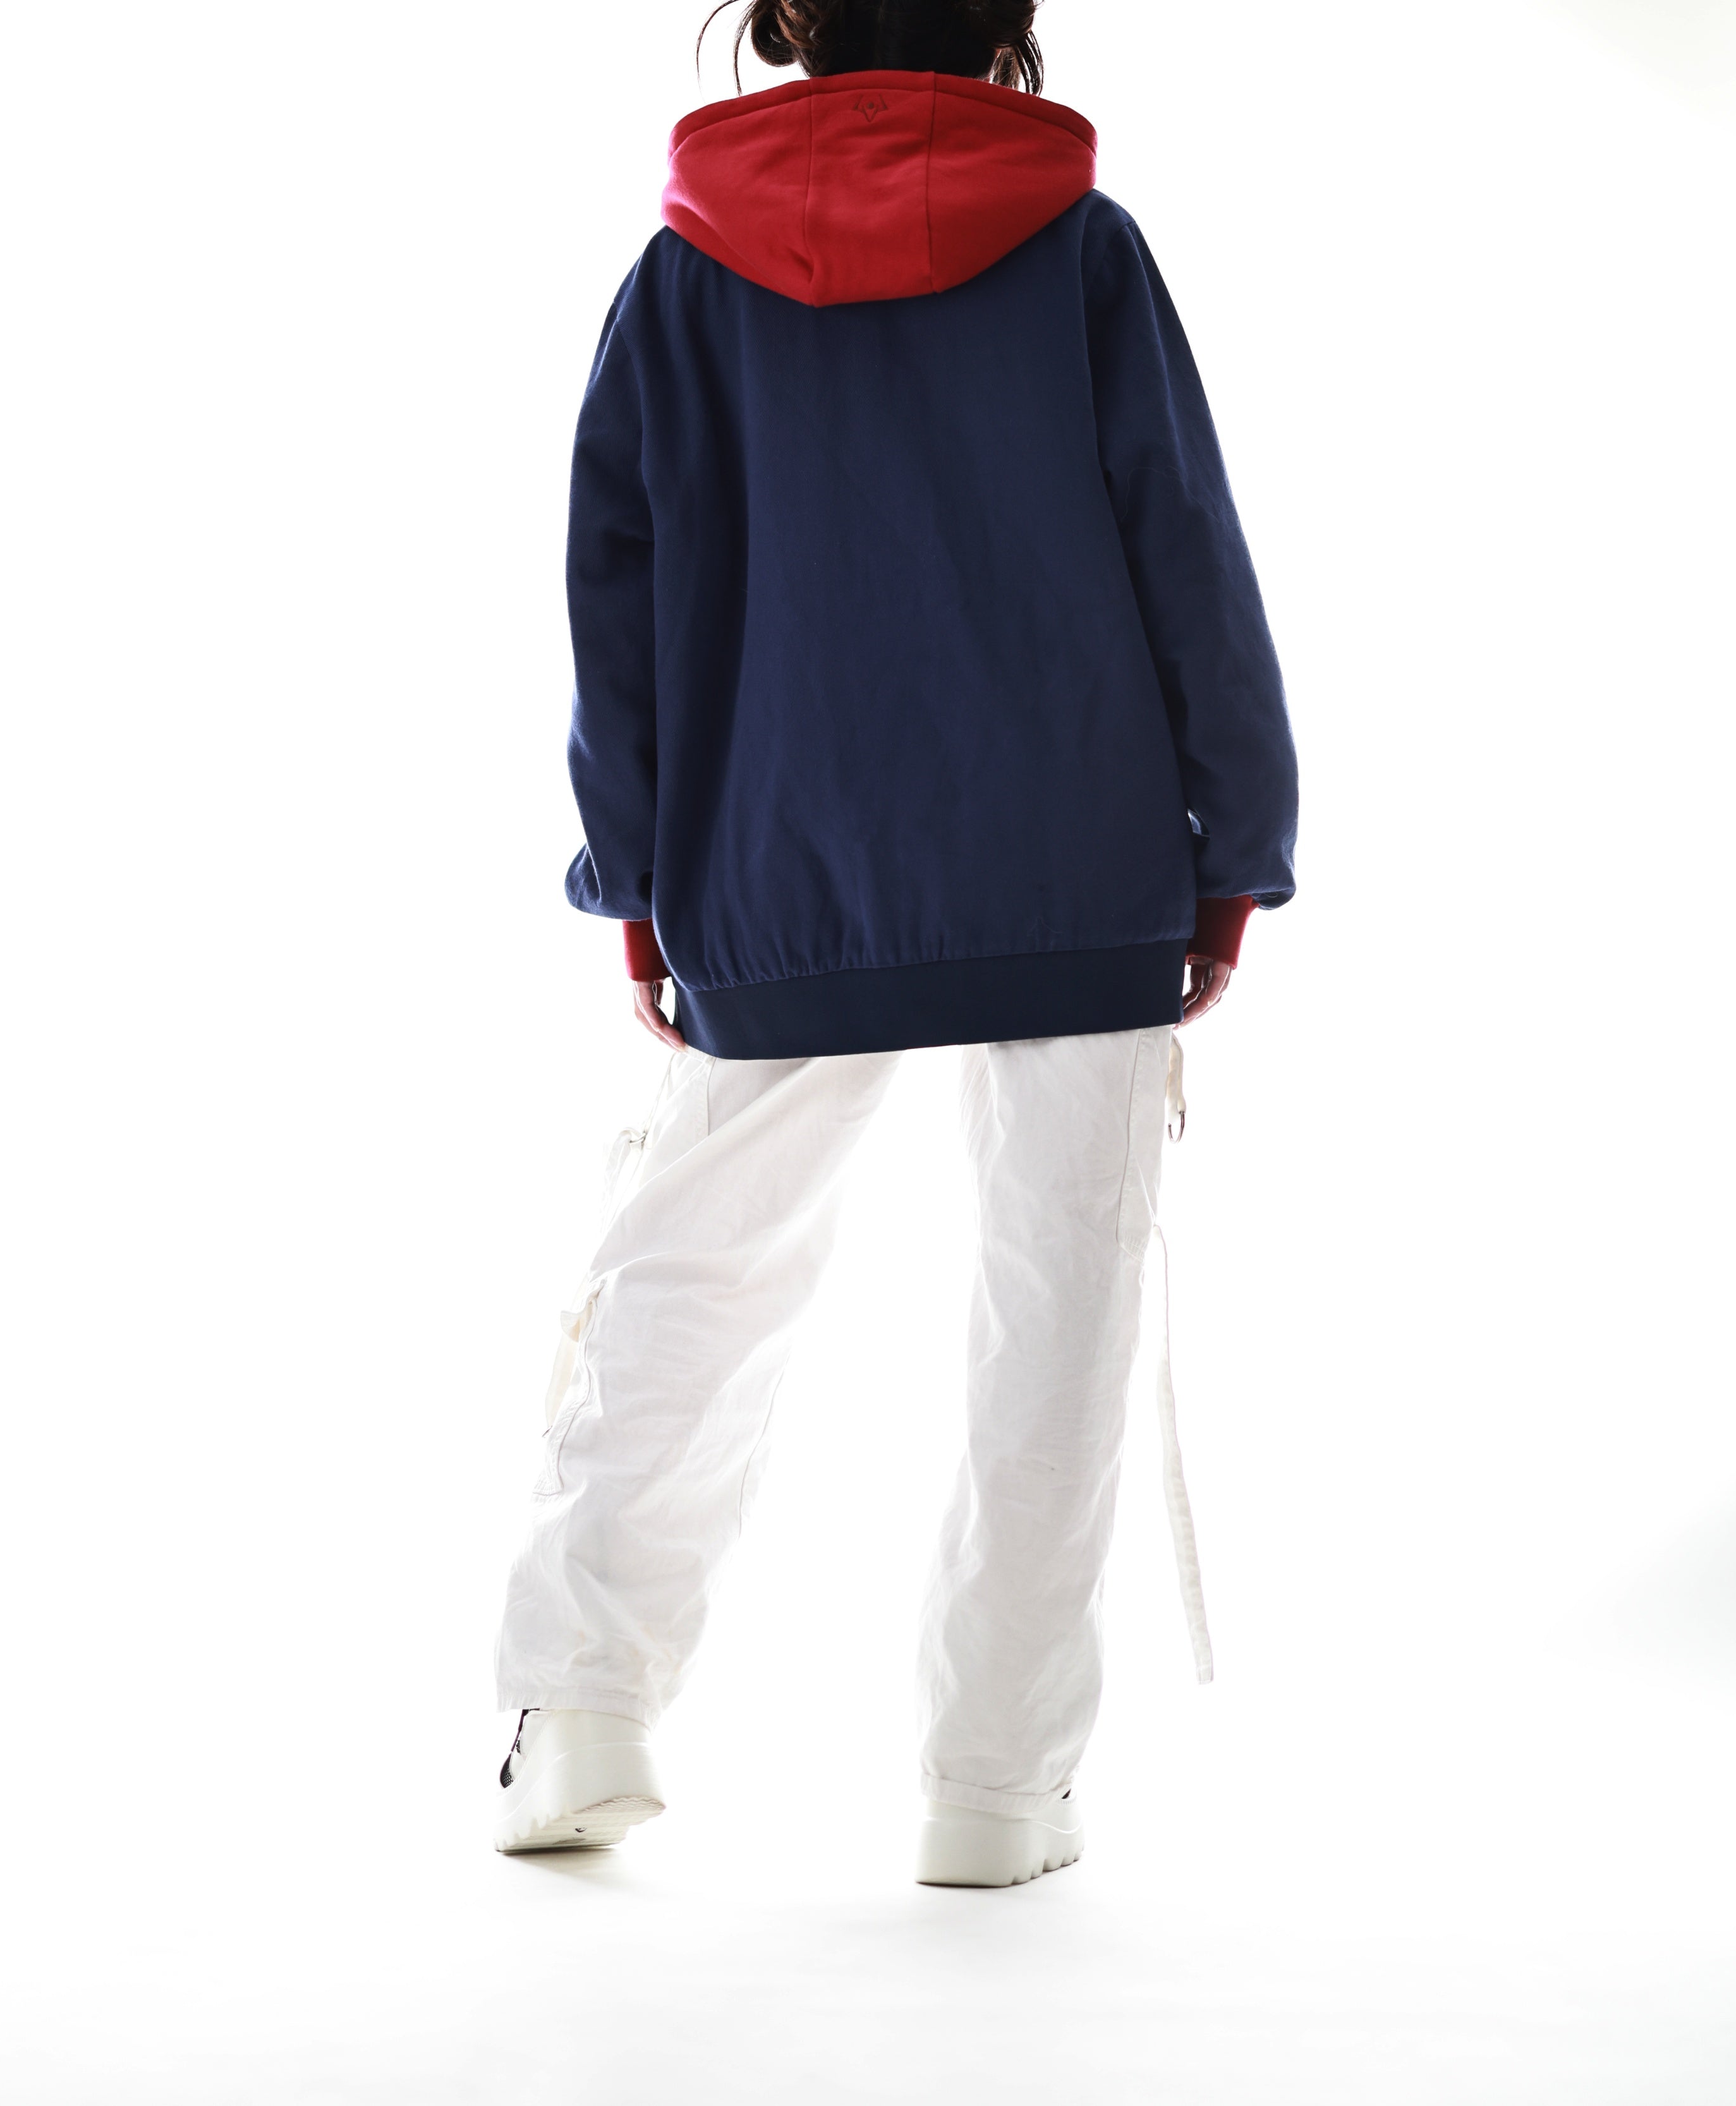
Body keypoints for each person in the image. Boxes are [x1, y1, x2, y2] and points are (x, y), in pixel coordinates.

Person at [492, 0, 1297, 1887]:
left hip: (775, 849)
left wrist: (637, 872)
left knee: (694, 1281)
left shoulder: (683, 275)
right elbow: (1184, 541)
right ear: (1006, 18)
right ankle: (995, 1794)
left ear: (786, 18)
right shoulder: (1080, 249)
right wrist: (1237, 843)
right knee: (1058, 1312)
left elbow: (615, 594)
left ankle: (579, 1715)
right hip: (1077, 845)